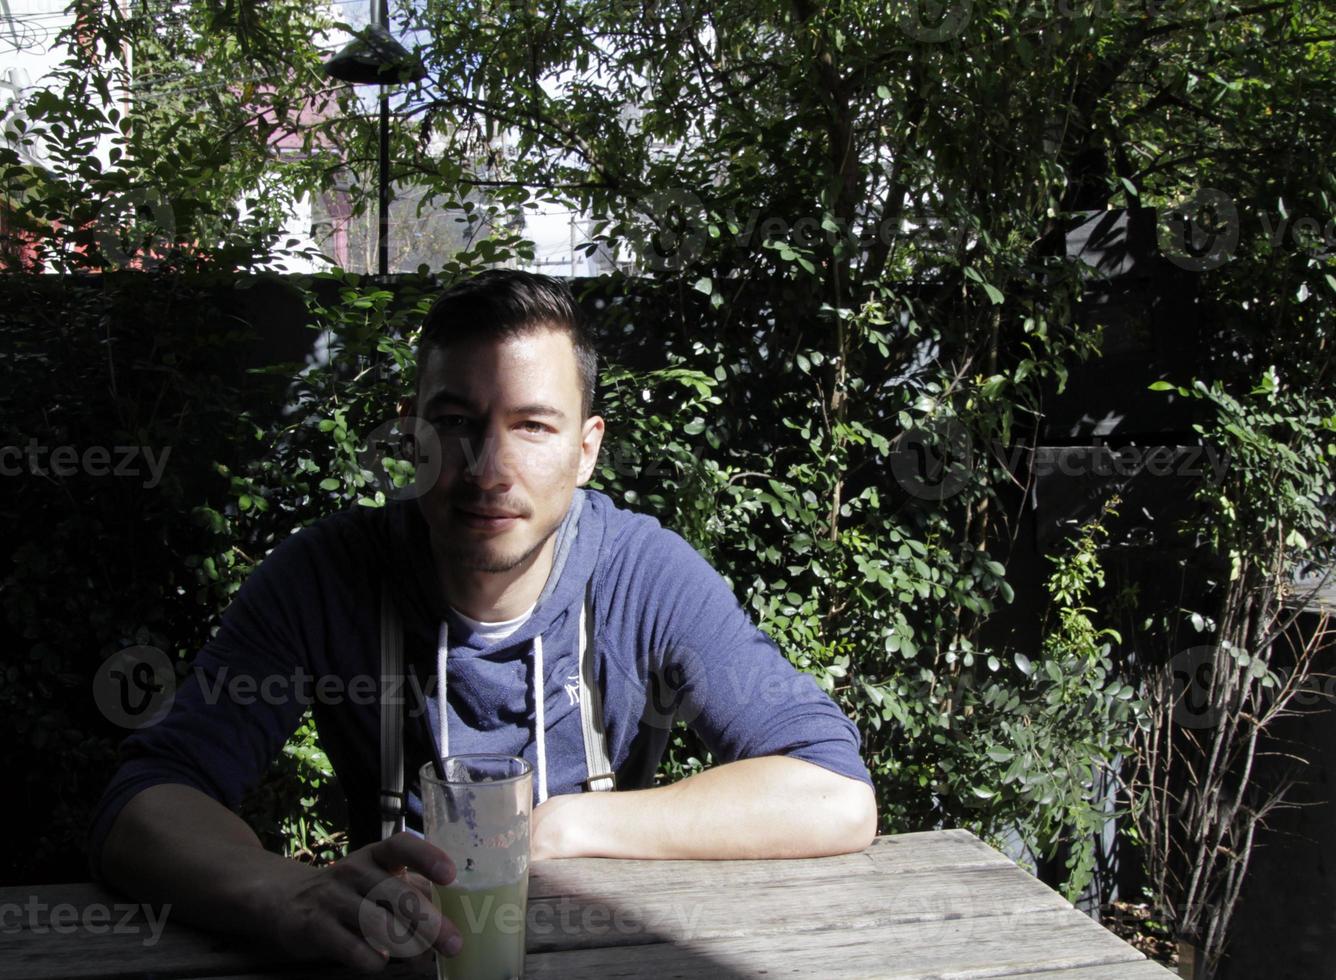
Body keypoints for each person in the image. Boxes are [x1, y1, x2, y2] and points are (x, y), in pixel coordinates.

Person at [88, 270, 878, 974]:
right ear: (411, 431)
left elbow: (834, 792)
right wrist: (286, 893)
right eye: (457, 420)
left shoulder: (645, 575)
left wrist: (561, 827)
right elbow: (144, 804)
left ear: (586, 448)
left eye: (534, 426)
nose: (488, 467)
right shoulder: (327, 576)